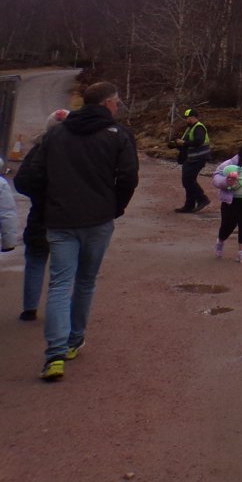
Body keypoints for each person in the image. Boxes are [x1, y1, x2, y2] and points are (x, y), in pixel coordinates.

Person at [14, 82, 139, 382]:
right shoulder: (118, 136)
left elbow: (29, 177)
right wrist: (115, 207)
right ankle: (73, 341)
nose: (118, 107)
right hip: (97, 220)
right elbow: (128, 177)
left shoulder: (56, 134)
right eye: (117, 102)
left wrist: (48, 201)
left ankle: (54, 354)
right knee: (84, 281)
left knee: (59, 283)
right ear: (108, 103)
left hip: (60, 220)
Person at [17, 109, 69, 320]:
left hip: (40, 215)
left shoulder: (38, 150)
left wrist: (40, 195)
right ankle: (59, 310)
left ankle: (30, 308)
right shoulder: (79, 151)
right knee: (63, 267)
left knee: (35, 259)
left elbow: (22, 182)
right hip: (68, 217)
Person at [171, 107, 212, 213]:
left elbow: (198, 141)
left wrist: (184, 143)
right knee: (188, 180)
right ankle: (189, 205)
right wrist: (175, 144)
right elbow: (187, 144)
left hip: (198, 158)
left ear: (193, 117)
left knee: (188, 180)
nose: (186, 120)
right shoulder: (190, 128)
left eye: (187, 118)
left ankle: (202, 199)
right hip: (191, 158)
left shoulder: (199, 128)